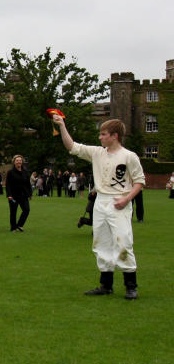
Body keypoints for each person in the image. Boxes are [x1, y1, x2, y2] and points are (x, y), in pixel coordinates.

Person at [53, 114, 144, 299]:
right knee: (101, 243)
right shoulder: (97, 153)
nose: (100, 137)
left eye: (103, 134)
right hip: (100, 202)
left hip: (119, 202)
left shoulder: (129, 156)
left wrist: (126, 200)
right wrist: (62, 125)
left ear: (115, 136)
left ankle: (131, 286)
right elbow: (72, 146)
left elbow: (139, 182)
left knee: (123, 241)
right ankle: (106, 285)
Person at [6, 155, 31, 232]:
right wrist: (9, 195)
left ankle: (19, 225)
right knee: (13, 212)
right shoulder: (10, 172)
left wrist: (30, 193)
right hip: (13, 196)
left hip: (23, 195)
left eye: (20, 160)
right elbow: (8, 185)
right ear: (14, 162)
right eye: (17, 160)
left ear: (22, 162)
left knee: (26, 210)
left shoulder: (25, 172)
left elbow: (28, 183)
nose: (19, 162)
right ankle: (13, 228)